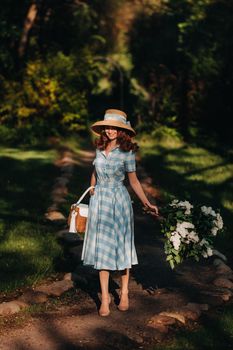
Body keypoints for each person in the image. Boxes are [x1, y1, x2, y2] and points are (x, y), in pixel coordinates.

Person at [81, 109, 158, 316]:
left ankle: (124, 292)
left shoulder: (127, 152)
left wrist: (147, 203)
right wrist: (92, 190)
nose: (110, 130)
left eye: (114, 127)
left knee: (122, 246)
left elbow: (133, 181)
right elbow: (94, 174)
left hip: (120, 201)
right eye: (107, 127)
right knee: (102, 248)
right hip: (100, 202)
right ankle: (105, 297)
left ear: (121, 130)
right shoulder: (99, 149)